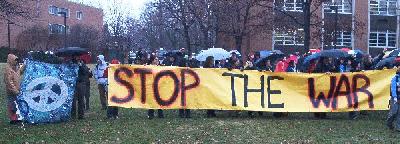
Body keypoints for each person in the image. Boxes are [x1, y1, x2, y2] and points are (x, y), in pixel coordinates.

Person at [4, 54, 24, 124]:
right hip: (12, 91)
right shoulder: (8, 70)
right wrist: (15, 91)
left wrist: (25, 64)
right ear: (11, 60)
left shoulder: (15, 68)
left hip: (17, 90)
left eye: (17, 60)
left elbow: (20, 71)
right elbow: (9, 82)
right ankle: (13, 120)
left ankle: (17, 119)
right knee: (12, 105)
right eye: (15, 60)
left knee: (16, 105)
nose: (16, 62)